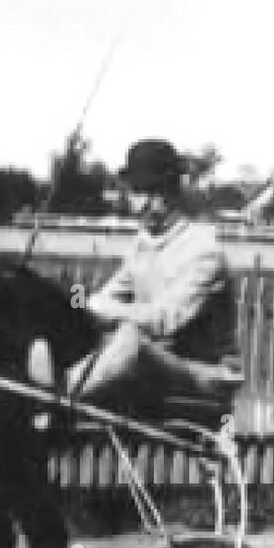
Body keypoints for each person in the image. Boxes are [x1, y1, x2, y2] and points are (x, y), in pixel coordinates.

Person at [28, 139, 244, 420]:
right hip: (159, 363)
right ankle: (35, 385)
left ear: (170, 193)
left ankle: (56, 397)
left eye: (147, 193)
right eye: (134, 193)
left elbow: (164, 319)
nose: (136, 205)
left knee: (131, 340)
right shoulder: (142, 243)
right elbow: (107, 295)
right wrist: (73, 304)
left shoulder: (204, 251)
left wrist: (102, 309)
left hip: (207, 374)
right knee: (66, 317)